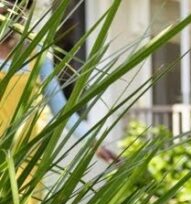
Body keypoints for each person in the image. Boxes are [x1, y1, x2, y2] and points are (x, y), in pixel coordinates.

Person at [1, 0, 118, 163]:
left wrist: (94, 142)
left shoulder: (36, 56)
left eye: (13, 7)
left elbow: (62, 111)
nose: (5, 11)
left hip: (25, 157)